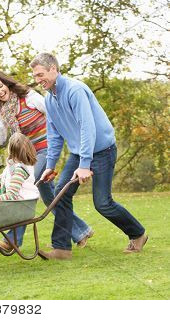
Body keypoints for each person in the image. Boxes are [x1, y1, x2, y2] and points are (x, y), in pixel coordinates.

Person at [29, 52, 147, 259]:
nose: (38, 80)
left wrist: (85, 164)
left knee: (102, 203)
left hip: (102, 150)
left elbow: (87, 128)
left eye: (41, 75)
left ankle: (138, 234)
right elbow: (54, 135)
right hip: (79, 152)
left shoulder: (75, 90)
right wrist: (50, 165)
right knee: (61, 196)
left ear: (54, 69)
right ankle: (62, 249)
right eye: (35, 76)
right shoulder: (49, 100)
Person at [0, 71, 93, 251]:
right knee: (49, 198)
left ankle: (13, 239)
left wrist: (71, 130)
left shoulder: (29, 97)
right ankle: (81, 231)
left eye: (0, 86)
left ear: (7, 84)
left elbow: (53, 112)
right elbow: (1, 136)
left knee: (24, 185)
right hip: (26, 155)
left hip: (46, 149)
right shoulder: (1, 110)